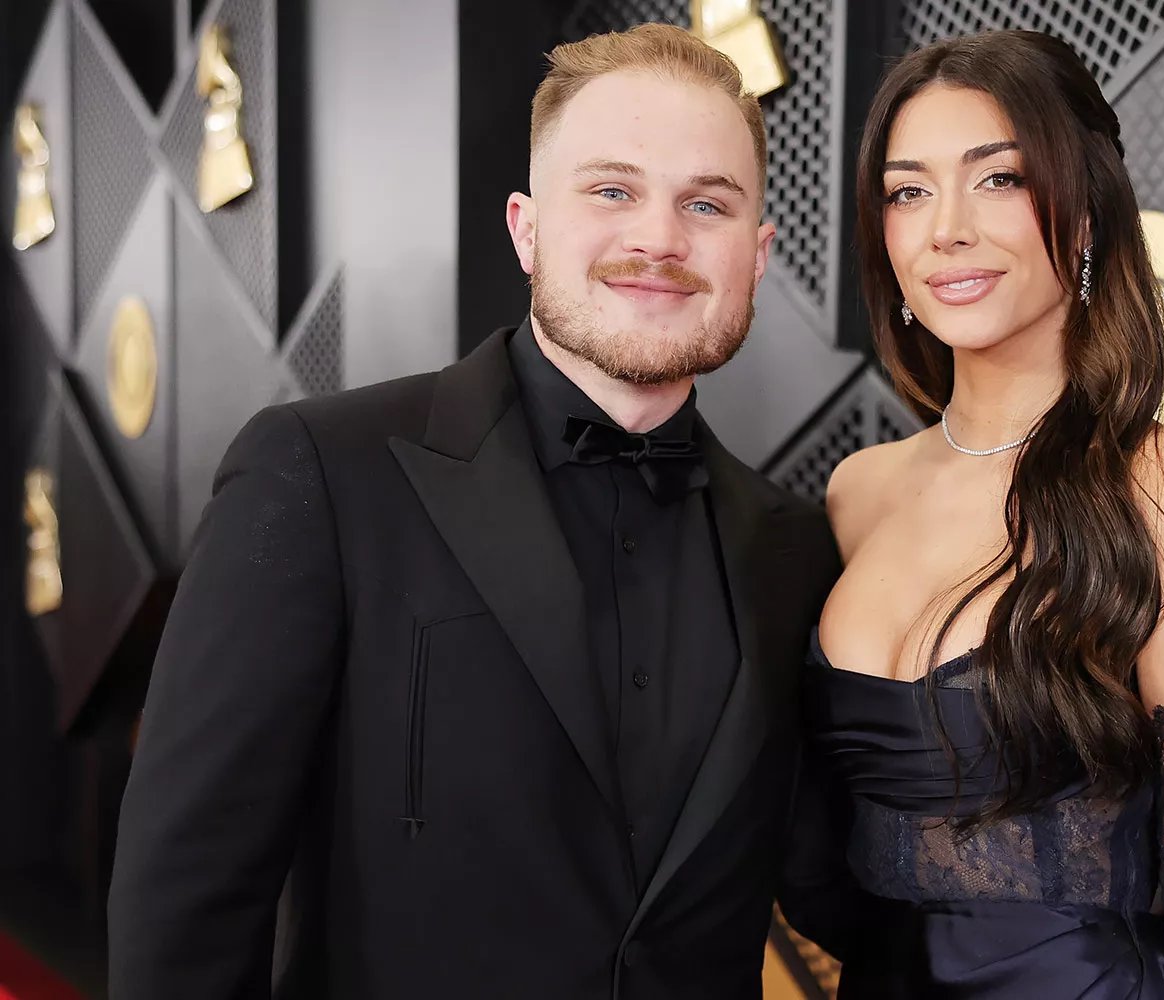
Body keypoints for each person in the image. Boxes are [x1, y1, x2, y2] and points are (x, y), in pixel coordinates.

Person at [108, 24, 839, 999]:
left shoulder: (793, 547)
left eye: (706, 203)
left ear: (757, 253)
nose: (659, 238)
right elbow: (187, 893)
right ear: (526, 227)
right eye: (612, 190)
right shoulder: (322, 474)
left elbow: (834, 882)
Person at [779, 30, 1164, 999]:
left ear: (1084, 211)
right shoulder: (857, 489)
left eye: (997, 179)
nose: (946, 229)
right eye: (907, 190)